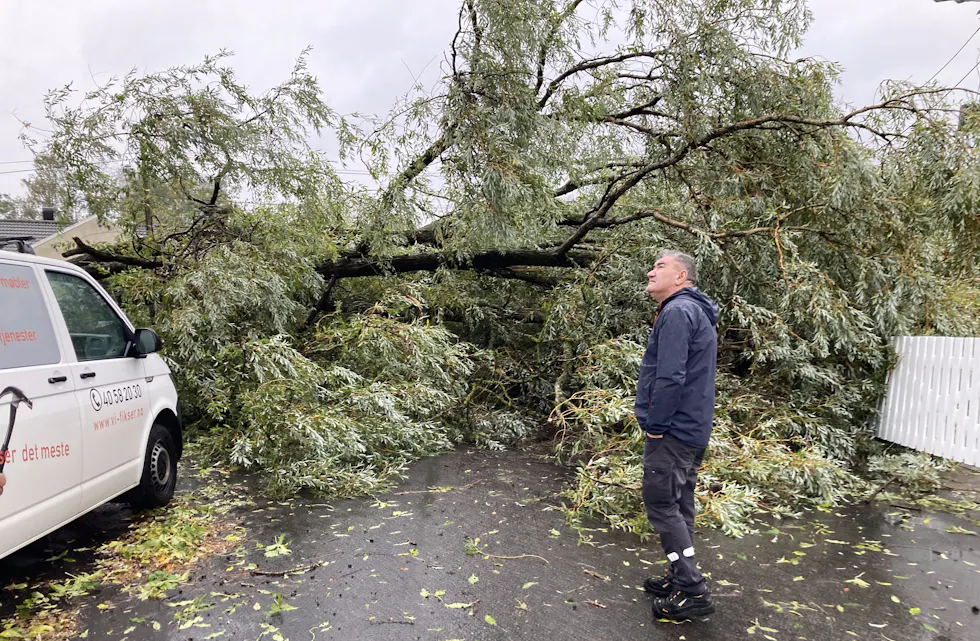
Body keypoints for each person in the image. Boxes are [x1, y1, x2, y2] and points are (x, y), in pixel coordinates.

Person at [635, 249, 719, 621]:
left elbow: (670, 376)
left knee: (661, 504)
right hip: (691, 428)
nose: (651, 272)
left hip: (673, 431)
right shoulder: (693, 311)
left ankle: (692, 591)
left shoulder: (678, 311)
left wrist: (655, 426)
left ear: (681, 276)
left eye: (660, 266)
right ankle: (679, 575)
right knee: (679, 505)